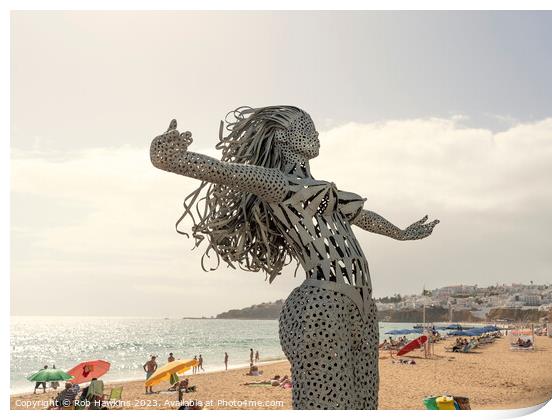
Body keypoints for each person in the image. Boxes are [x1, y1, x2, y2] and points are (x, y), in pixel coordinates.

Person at [150, 107, 438, 409]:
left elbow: (364, 218)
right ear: (285, 138)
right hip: (323, 304)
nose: (316, 134)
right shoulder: (280, 184)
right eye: (307, 128)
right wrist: (167, 155)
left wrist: (401, 233)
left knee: (366, 400)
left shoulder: (330, 195)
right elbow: (225, 172)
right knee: (327, 401)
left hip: (364, 306)